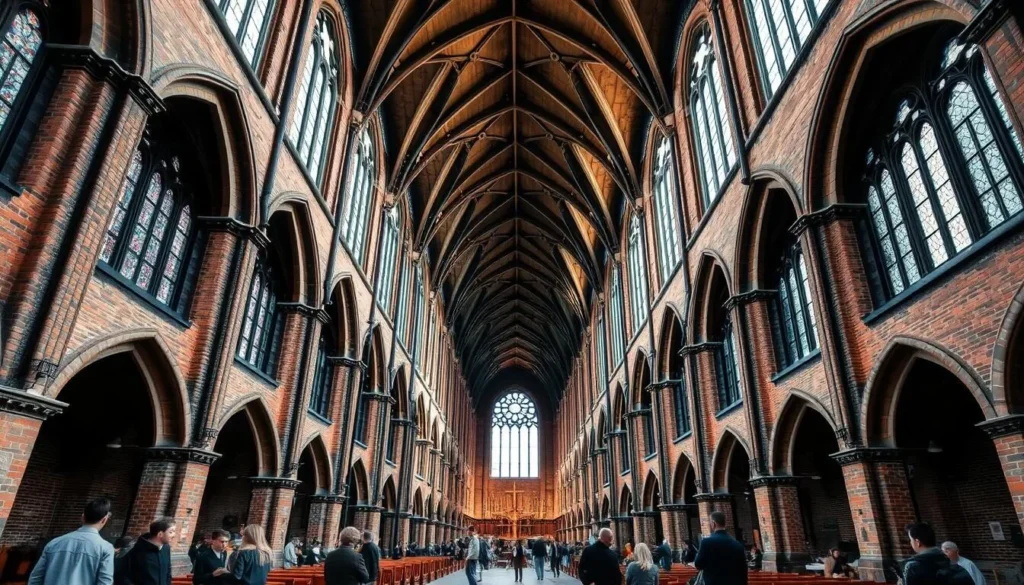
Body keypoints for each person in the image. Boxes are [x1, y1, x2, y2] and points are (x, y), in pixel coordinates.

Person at [27, 497, 115, 585]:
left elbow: (36, 578)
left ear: (83, 517)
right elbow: (105, 582)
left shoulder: (54, 543)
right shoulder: (106, 549)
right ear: (104, 520)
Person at [903, 523, 972, 585]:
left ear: (918, 542)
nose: (910, 543)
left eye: (911, 540)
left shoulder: (913, 566)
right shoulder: (951, 561)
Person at [693, 511, 747, 585]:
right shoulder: (737, 544)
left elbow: (698, 564)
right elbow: (743, 569)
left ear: (713, 523)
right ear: (725, 523)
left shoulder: (707, 542)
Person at [124, 517, 176, 585]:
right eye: (171, 532)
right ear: (160, 534)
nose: (174, 535)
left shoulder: (166, 548)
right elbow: (124, 575)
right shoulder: (138, 549)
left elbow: (168, 572)